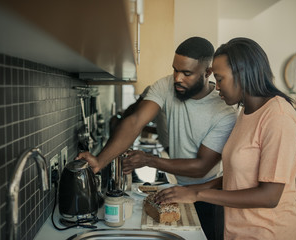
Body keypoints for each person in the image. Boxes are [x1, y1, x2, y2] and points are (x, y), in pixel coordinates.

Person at [77, 37, 237, 240]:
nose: (177, 78)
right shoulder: (166, 85)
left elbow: (201, 166)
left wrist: (149, 160)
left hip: (207, 196)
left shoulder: (224, 113)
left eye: (186, 73)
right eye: (175, 70)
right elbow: (135, 121)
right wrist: (100, 162)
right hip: (177, 189)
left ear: (207, 73)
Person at [155, 37, 296, 240]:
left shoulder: (277, 116)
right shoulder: (247, 112)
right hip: (240, 231)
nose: (216, 87)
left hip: (270, 232)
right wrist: (191, 189)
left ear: (241, 74)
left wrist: (197, 195)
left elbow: (269, 196)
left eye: (220, 78)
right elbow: (240, 177)